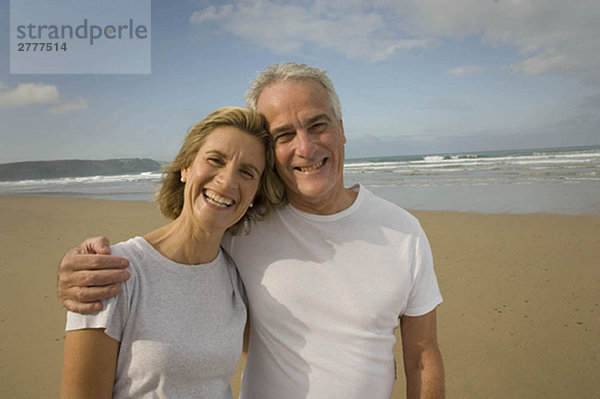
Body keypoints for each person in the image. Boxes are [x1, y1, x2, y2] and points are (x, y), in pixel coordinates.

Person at [58, 63, 445, 398]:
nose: (306, 147)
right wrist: (79, 269)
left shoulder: (403, 232)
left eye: (317, 125)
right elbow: (175, 248)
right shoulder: (244, 227)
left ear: (341, 129)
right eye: (284, 135)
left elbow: (423, 355)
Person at [60, 107, 284, 399]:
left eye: (247, 172)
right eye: (215, 160)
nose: (228, 181)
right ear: (186, 168)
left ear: (255, 194)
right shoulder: (113, 273)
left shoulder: (237, 276)